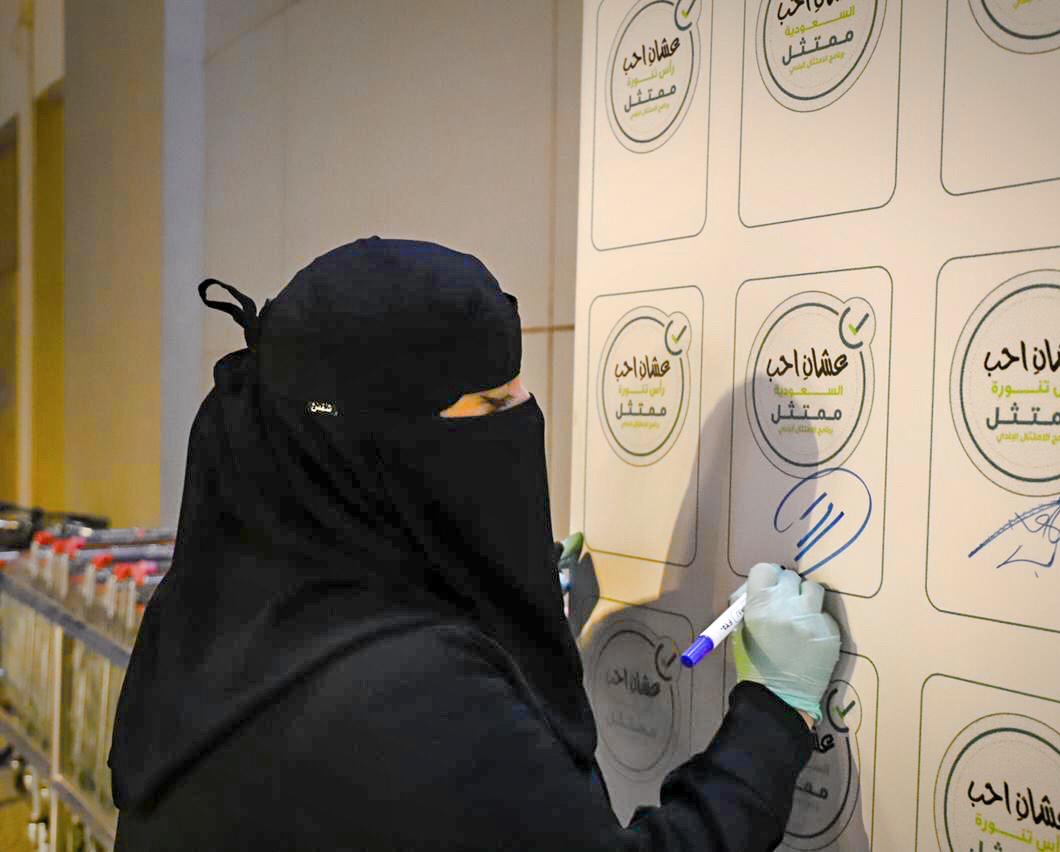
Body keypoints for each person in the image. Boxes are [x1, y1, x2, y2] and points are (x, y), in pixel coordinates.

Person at [109, 237, 842, 850]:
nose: (525, 413)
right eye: (492, 403)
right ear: (391, 452)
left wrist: (499, 631)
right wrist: (776, 710)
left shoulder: (223, 617)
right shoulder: (413, 693)